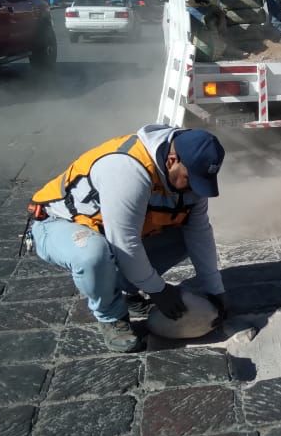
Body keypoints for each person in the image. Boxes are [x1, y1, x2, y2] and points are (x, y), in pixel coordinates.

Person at [25, 124, 229, 353]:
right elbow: (125, 242)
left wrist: (215, 291)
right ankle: (111, 317)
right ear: (172, 160)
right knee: (92, 254)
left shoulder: (189, 174)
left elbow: (199, 232)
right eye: (190, 179)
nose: (195, 188)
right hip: (60, 224)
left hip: (112, 233)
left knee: (184, 235)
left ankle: (125, 288)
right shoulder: (127, 169)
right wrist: (158, 290)